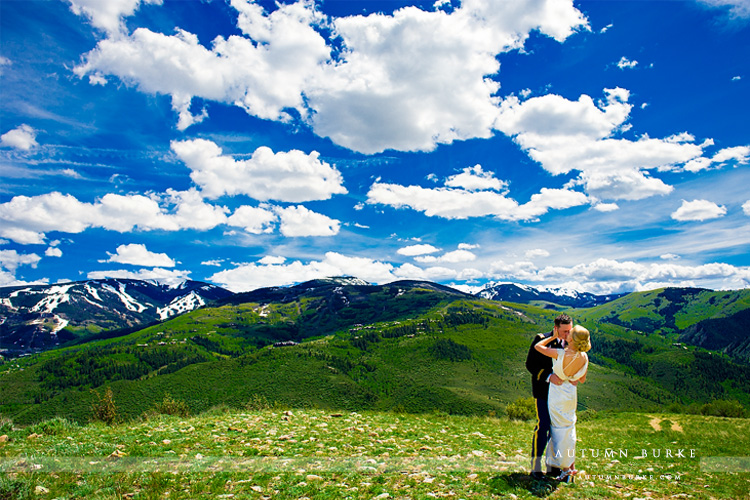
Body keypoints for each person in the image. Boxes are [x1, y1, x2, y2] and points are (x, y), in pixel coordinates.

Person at [534, 324, 591, 482]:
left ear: (571, 339)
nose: (567, 334)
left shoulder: (559, 353)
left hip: (557, 394)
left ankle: (565, 468)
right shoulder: (584, 357)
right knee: (569, 427)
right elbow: (582, 379)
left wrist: (552, 337)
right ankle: (570, 465)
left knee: (558, 430)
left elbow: (538, 347)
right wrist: (572, 377)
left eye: (569, 333)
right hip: (571, 395)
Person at [525, 314, 572, 480]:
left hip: (561, 394)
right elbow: (530, 364)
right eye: (564, 331)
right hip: (543, 391)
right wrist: (548, 375)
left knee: (557, 430)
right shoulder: (541, 339)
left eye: (570, 330)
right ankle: (535, 467)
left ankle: (553, 467)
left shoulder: (571, 341)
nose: (568, 334)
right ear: (556, 328)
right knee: (543, 426)